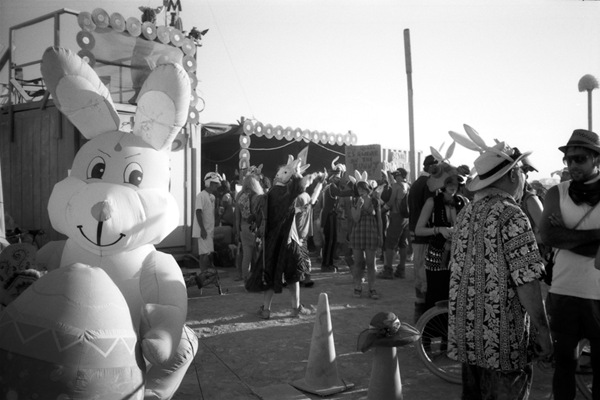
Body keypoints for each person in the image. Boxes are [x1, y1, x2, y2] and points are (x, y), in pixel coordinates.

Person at [448, 138, 553, 400]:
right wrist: (543, 331)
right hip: (504, 343)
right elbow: (527, 282)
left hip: (469, 336)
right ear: (512, 174)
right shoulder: (511, 215)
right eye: (521, 171)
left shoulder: (467, 214)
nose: (524, 178)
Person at [539, 129, 600, 400]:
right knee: (563, 365)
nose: (573, 164)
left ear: (596, 159)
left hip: (598, 295)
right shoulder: (557, 192)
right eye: (569, 159)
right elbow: (548, 236)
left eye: (581, 159)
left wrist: (568, 238)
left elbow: (559, 237)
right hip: (563, 292)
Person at [252, 151, 325, 319]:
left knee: (270, 274)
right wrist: (317, 178)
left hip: (272, 241)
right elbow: (305, 189)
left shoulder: (270, 194)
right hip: (289, 240)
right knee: (293, 275)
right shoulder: (287, 193)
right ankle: (295, 308)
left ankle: (266, 309)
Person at [415, 163, 468, 312]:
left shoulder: (464, 202)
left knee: (457, 295)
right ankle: (431, 332)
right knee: (435, 295)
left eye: (456, 182)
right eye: (449, 182)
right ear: (442, 184)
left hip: (459, 255)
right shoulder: (432, 202)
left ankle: (451, 333)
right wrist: (439, 229)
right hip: (437, 255)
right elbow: (419, 230)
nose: (453, 186)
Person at [408, 154, 438, 322]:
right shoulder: (427, 184)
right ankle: (423, 317)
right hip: (425, 235)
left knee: (419, 275)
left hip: (416, 233)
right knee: (424, 276)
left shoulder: (415, 184)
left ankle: (420, 314)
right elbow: (429, 211)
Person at [349, 171, 383, 300]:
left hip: (371, 233)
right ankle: (358, 286)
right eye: (358, 189)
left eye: (362, 188)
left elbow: (379, 219)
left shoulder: (375, 201)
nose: (360, 191)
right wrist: (359, 206)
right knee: (358, 262)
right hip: (358, 233)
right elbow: (355, 219)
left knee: (371, 262)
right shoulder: (354, 201)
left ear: (367, 189)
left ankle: (372, 288)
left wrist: (381, 235)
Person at [320, 157, 353, 272]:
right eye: (338, 178)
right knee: (330, 241)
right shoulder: (332, 187)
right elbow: (341, 193)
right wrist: (355, 191)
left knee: (332, 241)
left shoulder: (330, 186)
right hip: (329, 216)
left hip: (331, 216)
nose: (339, 180)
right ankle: (325, 264)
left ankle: (329, 263)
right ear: (333, 178)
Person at [379, 168, 410, 279]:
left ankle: (388, 270)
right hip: (406, 218)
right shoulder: (408, 186)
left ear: (400, 175)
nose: (395, 177)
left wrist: (380, 211)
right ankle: (401, 269)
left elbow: (391, 202)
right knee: (403, 243)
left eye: (396, 175)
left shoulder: (397, 186)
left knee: (390, 243)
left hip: (397, 216)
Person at [234, 171, 265, 282]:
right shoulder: (257, 196)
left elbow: (237, 217)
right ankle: (258, 278)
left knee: (246, 255)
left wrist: (238, 232)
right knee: (258, 253)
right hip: (254, 228)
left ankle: (245, 278)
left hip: (243, 227)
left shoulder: (239, 196)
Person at [192, 172, 222, 270]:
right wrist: (202, 229)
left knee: (207, 253)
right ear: (209, 183)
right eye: (214, 184)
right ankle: (204, 275)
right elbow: (198, 212)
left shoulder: (211, 197)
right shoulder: (201, 195)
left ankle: (205, 275)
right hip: (204, 231)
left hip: (208, 230)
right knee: (204, 254)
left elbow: (210, 214)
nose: (216, 186)